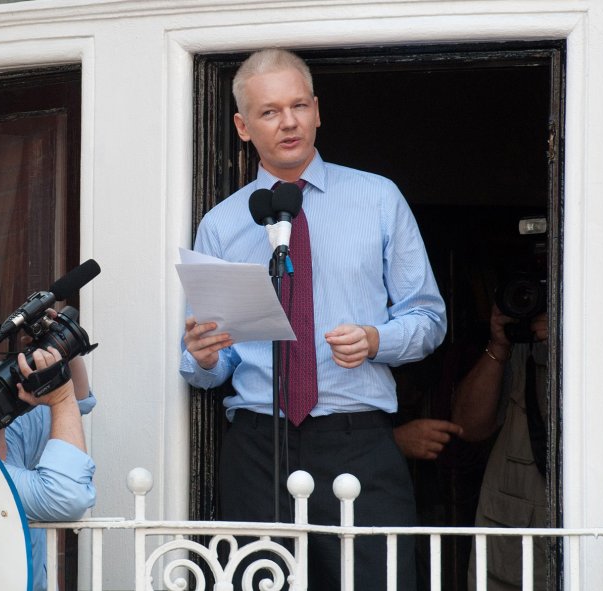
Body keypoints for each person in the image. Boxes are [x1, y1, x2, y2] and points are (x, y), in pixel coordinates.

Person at [180, 48, 447, 590]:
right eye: (270, 111)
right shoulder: (222, 224)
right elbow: (213, 361)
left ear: (318, 111)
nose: (289, 122)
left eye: (299, 106)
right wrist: (202, 356)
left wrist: (378, 340)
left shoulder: (377, 198)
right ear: (243, 126)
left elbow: (429, 317)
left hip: (358, 441)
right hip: (257, 445)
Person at [0, 345, 96, 591]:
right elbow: (67, 496)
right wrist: (61, 399)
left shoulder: (10, 429)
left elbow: (79, 402)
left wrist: (61, 349)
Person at [452, 305, 548, 591]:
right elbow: (468, 427)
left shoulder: (601, 336)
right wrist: (499, 345)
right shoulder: (520, 343)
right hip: (515, 534)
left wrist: (568, 340)